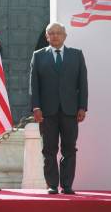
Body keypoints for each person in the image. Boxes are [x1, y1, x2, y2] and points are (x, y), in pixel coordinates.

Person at [29, 22, 88, 195]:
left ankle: (67, 185)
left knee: (69, 148)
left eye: (58, 33)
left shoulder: (76, 55)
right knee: (49, 149)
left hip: (70, 111)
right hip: (47, 112)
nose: (55, 36)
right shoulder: (38, 56)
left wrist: (83, 107)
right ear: (47, 37)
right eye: (51, 33)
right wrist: (36, 107)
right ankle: (52, 185)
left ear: (65, 36)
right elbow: (34, 84)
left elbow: (82, 84)